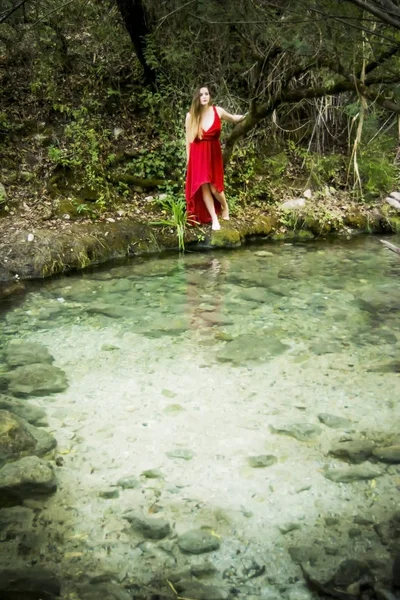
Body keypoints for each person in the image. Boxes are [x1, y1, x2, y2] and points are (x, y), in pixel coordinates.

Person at [185, 86, 245, 231]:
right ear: (197, 98)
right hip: (198, 155)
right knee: (204, 187)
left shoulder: (218, 111)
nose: (204, 96)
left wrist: (247, 116)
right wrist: (189, 162)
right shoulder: (191, 116)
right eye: (201, 94)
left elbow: (233, 118)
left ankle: (225, 206)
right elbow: (188, 141)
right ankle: (214, 219)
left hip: (213, 153)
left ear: (210, 96)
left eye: (206, 94)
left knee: (215, 187)